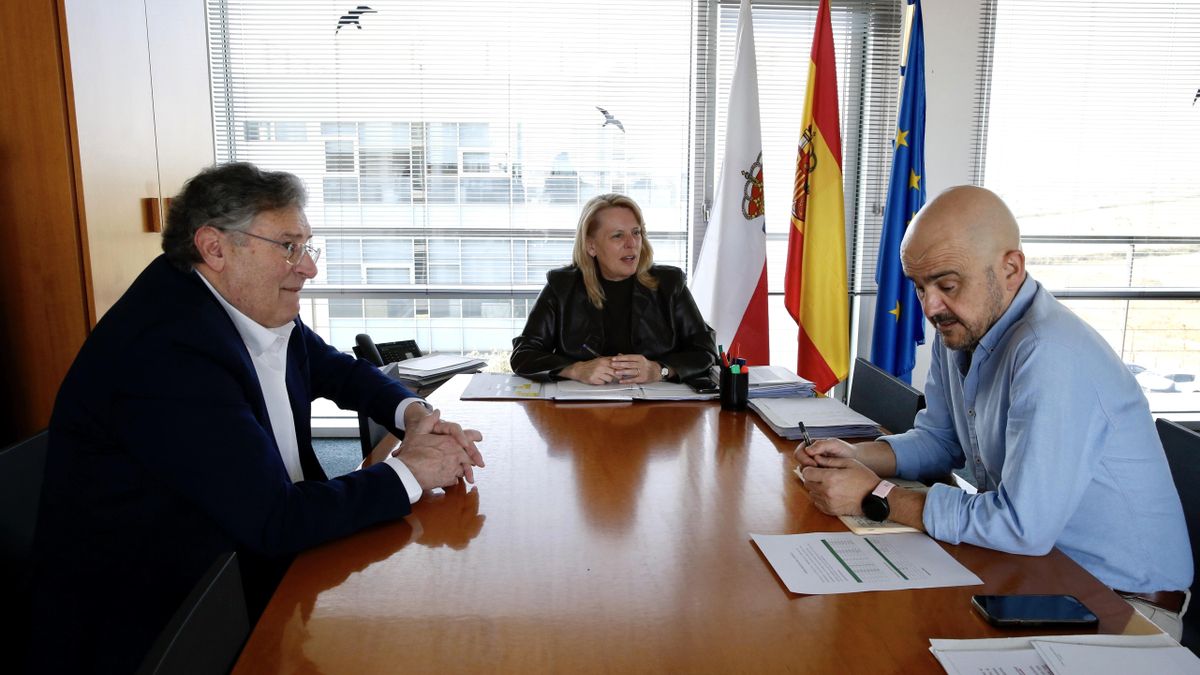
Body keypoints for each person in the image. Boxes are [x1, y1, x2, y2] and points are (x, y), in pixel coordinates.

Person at [31, 162, 485, 673]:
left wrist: (413, 413)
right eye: (288, 247)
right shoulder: (166, 350)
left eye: (307, 246)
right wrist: (411, 472)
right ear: (214, 247)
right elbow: (274, 521)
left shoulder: (236, 302)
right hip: (165, 622)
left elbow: (335, 369)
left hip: (243, 563)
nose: (308, 268)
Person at [796, 186, 1192, 637]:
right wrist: (855, 456)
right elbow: (941, 440)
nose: (930, 308)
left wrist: (876, 495)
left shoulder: (1049, 352)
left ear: (1010, 269)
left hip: (1122, 607)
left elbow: (1022, 526)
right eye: (919, 288)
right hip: (1037, 571)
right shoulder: (962, 327)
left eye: (947, 285)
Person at [510, 193, 717, 386]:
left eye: (636, 233)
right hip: (582, 408)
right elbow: (523, 354)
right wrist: (575, 369)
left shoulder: (669, 284)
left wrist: (660, 370)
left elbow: (705, 352)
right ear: (591, 246)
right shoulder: (562, 287)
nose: (632, 243)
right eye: (618, 236)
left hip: (658, 408)